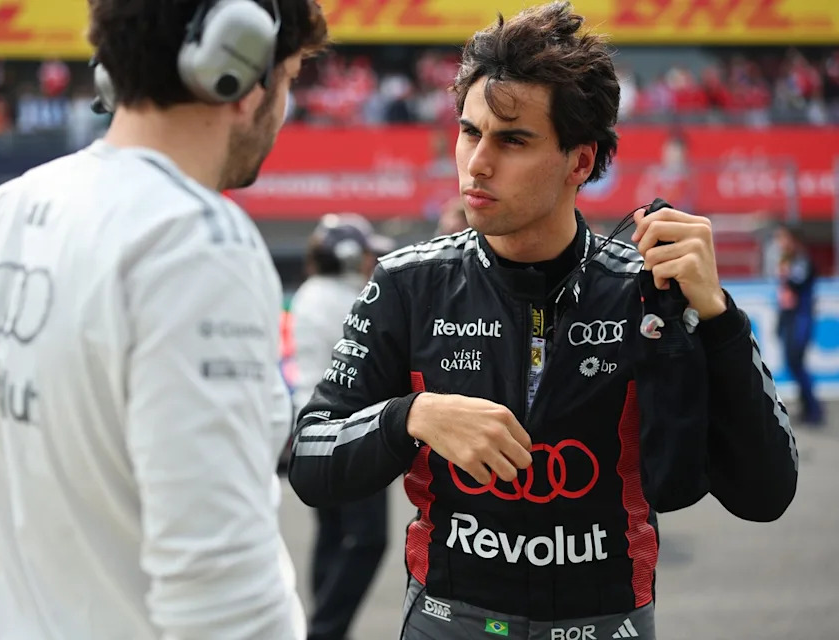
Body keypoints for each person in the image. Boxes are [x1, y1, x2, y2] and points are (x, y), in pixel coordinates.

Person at [287, 4, 798, 639]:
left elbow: (768, 493)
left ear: (579, 162)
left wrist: (717, 317)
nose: (477, 163)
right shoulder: (407, 284)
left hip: (606, 624)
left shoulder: (648, 292)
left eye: (513, 140)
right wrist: (410, 416)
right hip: (450, 621)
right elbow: (310, 458)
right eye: (470, 133)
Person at [0, 1, 327, 639]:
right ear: (236, 69)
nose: (283, 107)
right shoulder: (191, 241)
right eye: (288, 77)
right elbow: (225, 600)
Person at [290, 213, 394, 640]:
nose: (372, 259)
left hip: (312, 424)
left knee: (334, 532)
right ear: (350, 256)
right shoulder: (345, 299)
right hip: (347, 429)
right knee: (368, 539)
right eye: (367, 251)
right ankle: (326, 630)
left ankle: (323, 627)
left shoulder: (312, 293)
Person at [775, 223, 824, 425]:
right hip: (790, 318)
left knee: (797, 362)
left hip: (801, 318)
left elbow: (798, 283)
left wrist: (786, 273)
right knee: (792, 363)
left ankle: (814, 410)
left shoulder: (801, 261)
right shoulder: (789, 260)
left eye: (783, 238)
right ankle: (807, 407)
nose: (779, 243)